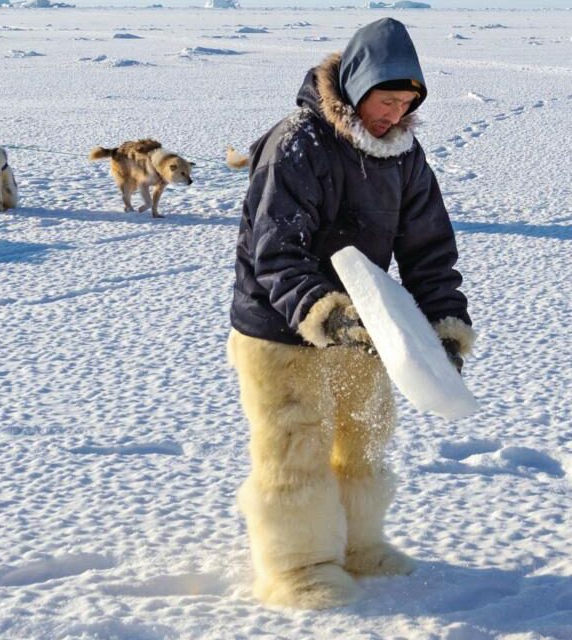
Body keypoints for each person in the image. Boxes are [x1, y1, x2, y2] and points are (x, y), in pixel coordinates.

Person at [227, 17, 474, 609]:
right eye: (386, 102)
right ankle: (298, 567)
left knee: (362, 438)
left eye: (406, 105)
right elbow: (275, 250)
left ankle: (358, 544)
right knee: (295, 446)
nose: (395, 115)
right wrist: (324, 314)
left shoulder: (403, 154)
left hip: (366, 327)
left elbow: (429, 251)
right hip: (281, 326)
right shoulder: (299, 143)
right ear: (358, 87)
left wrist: (443, 329)